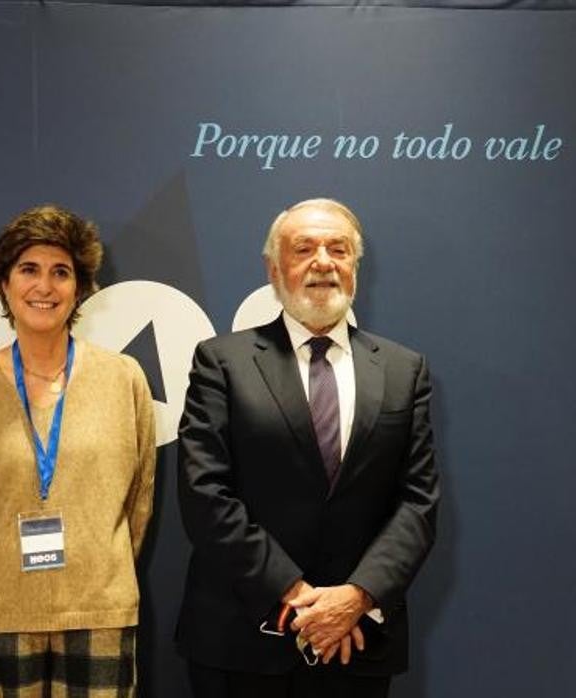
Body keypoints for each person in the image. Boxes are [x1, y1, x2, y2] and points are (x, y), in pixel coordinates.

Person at [175, 198, 439, 697]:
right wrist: (295, 596)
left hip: (357, 640)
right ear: (274, 268)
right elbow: (204, 493)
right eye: (304, 249)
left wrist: (355, 599)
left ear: (355, 267)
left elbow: (418, 504)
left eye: (337, 249)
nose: (323, 261)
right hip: (241, 642)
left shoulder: (406, 371)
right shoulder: (221, 363)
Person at [0, 205, 156, 697]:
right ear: (4, 284)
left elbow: (138, 501)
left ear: (79, 288)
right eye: (28, 270)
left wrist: (97, 563)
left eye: (61, 272)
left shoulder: (124, 378)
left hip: (100, 607)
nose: (44, 287)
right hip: (2, 610)